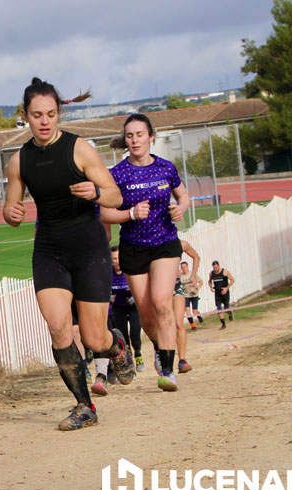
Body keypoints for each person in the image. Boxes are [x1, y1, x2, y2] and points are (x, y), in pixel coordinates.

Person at [3, 77, 136, 431]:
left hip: (89, 248)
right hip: (49, 250)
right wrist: (12, 213)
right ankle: (84, 405)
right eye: (36, 115)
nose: (44, 121)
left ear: (58, 114)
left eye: (50, 114)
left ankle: (117, 346)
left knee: (94, 339)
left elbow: (116, 196)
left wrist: (95, 191)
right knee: (59, 328)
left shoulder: (80, 150)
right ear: (25, 117)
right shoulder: (19, 161)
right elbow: (10, 209)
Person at [101, 113, 190, 392]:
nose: (135, 140)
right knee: (147, 314)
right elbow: (104, 212)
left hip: (164, 243)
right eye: (130, 135)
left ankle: (167, 369)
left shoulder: (166, 168)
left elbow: (183, 195)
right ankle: (160, 347)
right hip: (134, 247)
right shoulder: (117, 174)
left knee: (162, 301)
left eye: (140, 134)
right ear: (125, 140)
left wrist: (180, 209)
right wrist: (130, 213)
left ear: (151, 136)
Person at [108, 246, 143, 373]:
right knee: (122, 335)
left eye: (117, 258)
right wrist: (109, 297)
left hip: (133, 307)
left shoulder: (129, 270)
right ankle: (129, 361)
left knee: (134, 332)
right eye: (113, 259)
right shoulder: (108, 273)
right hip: (118, 308)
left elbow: (141, 285)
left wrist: (135, 295)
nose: (116, 261)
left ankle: (138, 354)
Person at [173, 241, 200, 374]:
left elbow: (196, 256)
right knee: (162, 324)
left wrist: (193, 275)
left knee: (179, 323)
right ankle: (161, 356)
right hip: (158, 285)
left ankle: (182, 360)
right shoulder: (152, 239)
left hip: (175, 286)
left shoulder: (181, 244)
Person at [209, 260, 235, 329]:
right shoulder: (211, 273)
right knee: (219, 308)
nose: (215, 269)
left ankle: (230, 313)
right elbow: (209, 282)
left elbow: (232, 280)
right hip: (217, 293)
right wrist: (211, 287)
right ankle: (223, 324)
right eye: (214, 268)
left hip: (225, 292)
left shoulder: (225, 271)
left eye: (216, 267)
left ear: (219, 266)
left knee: (226, 308)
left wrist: (226, 288)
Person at [182, 261, 203, 329]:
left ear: (187, 266)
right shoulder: (181, 276)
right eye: (182, 267)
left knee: (194, 311)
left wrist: (198, 287)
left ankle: (198, 315)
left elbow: (201, 281)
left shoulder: (192, 274)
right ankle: (193, 325)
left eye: (184, 267)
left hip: (194, 295)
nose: (183, 268)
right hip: (186, 296)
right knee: (187, 310)